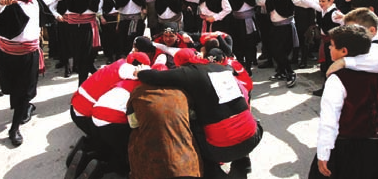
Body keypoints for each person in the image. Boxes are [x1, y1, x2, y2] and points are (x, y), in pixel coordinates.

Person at [136, 48, 263, 178]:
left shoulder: (189, 73)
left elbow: (152, 76)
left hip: (222, 149)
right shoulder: (221, 68)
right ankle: (242, 163)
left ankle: (214, 173)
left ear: (179, 64)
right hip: (253, 136)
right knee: (239, 114)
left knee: (191, 133)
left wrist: (140, 71)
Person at [0, 0, 66, 146]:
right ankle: (25, 107)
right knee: (10, 88)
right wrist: (2, 2)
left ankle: (14, 128)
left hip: (29, 54)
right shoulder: (3, 0)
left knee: (24, 89)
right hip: (7, 54)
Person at [308, 25, 378, 179]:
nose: (329, 48)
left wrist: (323, 153)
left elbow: (329, 121)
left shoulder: (337, 78)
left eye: (332, 45)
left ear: (344, 51)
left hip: (348, 147)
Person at [67, 52, 151, 179]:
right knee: (121, 150)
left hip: (79, 108)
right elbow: (140, 73)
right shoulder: (128, 70)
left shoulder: (117, 64)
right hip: (88, 113)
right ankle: (102, 170)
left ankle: (84, 153)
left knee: (104, 142)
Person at [127, 83, 204, 179]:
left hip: (152, 162)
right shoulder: (181, 91)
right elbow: (192, 115)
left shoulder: (138, 92)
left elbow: (133, 123)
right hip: (183, 164)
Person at [257, 0, 321, 88]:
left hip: (285, 27)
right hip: (274, 27)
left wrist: (322, 7)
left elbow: (306, 1)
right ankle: (281, 72)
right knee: (274, 51)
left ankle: (290, 73)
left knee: (281, 51)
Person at [56, 0, 111, 86]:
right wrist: (57, 15)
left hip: (90, 25)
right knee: (79, 56)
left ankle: (84, 83)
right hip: (74, 26)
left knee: (88, 55)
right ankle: (93, 79)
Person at [223, 0, 261, 76]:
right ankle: (240, 66)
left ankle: (248, 67)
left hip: (249, 20)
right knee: (238, 44)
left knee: (250, 44)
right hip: (236, 21)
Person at [312, 0, 343, 96]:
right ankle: (327, 88)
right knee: (326, 65)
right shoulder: (323, 11)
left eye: (323, 1)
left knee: (331, 65)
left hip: (332, 43)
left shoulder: (334, 13)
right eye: (320, 1)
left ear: (331, 1)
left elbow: (344, 22)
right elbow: (309, 2)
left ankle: (329, 89)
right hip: (326, 41)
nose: (321, 3)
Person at [49, 0, 74, 78]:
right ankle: (67, 66)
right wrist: (57, 16)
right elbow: (52, 7)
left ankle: (75, 65)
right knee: (64, 44)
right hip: (63, 22)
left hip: (75, 22)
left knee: (75, 44)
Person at [289, 0, 316, 68]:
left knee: (304, 42)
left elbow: (312, 9)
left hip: (305, 21)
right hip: (293, 20)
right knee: (294, 41)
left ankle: (304, 61)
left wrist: (312, 23)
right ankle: (294, 58)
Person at [99, 0, 120, 64]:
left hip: (118, 17)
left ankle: (118, 55)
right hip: (107, 17)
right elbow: (99, 7)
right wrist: (101, 17)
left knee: (118, 37)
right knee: (108, 38)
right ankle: (110, 56)